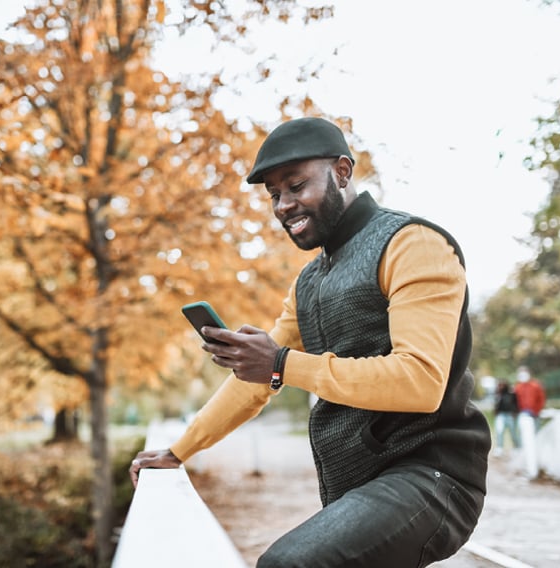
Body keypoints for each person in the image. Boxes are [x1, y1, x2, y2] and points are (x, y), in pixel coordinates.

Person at [129, 117, 491, 567]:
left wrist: (283, 364)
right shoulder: (308, 282)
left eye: (296, 186)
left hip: (433, 477)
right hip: (356, 485)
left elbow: (420, 381)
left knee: (288, 563)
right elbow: (254, 383)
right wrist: (179, 450)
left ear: (342, 171)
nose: (283, 205)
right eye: (274, 195)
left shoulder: (413, 244)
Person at [492, 379, 520, 456]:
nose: (500, 386)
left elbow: (516, 404)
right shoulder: (498, 394)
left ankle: (517, 447)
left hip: (510, 415)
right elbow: (496, 405)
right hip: (501, 415)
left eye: (502, 385)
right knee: (499, 431)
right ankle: (499, 448)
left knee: (513, 432)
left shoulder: (511, 393)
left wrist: (515, 412)